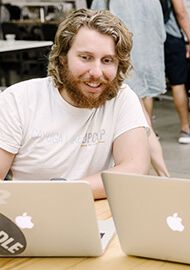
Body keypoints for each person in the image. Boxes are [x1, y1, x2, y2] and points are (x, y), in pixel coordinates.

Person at [0, 9, 150, 199]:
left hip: (97, 215)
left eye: (107, 60)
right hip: (30, 218)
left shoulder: (121, 99)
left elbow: (135, 168)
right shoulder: (19, 100)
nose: (96, 72)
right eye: (85, 57)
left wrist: (65, 192)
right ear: (62, 58)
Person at [91, 0, 170, 176]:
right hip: (144, 56)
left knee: (142, 121)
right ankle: (163, 174)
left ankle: (161, 174)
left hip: (121, 60)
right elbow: (160, 29)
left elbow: (95, 23)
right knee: (144, 118)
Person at [162, 0, 190, 144]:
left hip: (148, 38)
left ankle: (149, 134)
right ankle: (186, 129)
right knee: (178, 83)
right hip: (170, 36)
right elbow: (180, 12)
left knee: (148, 87)